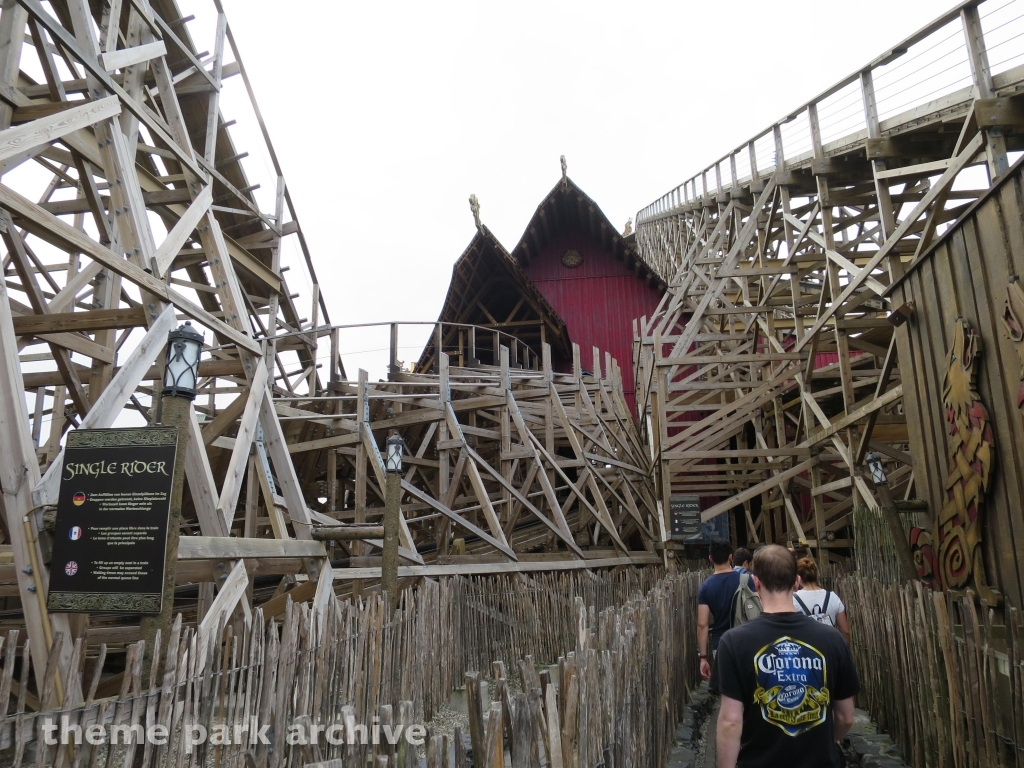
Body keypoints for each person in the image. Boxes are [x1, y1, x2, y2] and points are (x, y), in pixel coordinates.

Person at [712, 545, 859, 768]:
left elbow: (730, 722)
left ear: (756, 583)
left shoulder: (734, 642)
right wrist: (828, 742)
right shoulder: (832, 639)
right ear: (796, 582)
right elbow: (846, 717)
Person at [697, 539, 741, 680]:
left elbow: (702, 625)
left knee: (729, 691)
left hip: (721, 645)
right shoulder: (748, 580)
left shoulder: (705, 587)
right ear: (731, 557)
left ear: (710, 558)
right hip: (747, 642)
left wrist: (703, 657)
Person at [794, 557, 850, 644]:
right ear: (816, 575)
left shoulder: (793, 599)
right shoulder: (832, 597)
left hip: (808, 653)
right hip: (829, 649)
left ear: (798, 578)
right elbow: (845, 631)